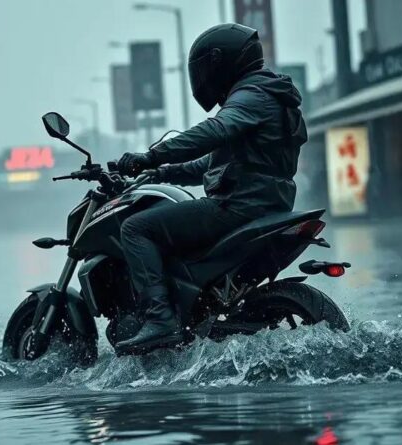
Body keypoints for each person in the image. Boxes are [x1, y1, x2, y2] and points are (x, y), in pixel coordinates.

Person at [114, 23, 308, 353]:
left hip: (236, 207)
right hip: (265, 205)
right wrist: (161, 172)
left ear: (220, 62)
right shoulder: (270, 96)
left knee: (135, 228)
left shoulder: (250, 96)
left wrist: (150, 156)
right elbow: (213, 165)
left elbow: (215, 130)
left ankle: (160, 320)